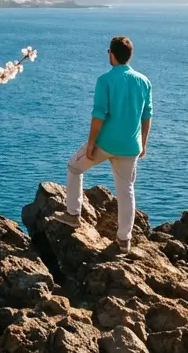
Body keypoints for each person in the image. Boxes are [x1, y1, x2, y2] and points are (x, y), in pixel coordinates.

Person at [62, 35, 152, 254]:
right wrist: (143, 145)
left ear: (111, 54)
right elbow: (147, 116)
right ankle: (124, 241)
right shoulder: (144, 81)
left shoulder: (105, 80)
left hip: (106, 143)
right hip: (131, 146)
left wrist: (91, 143)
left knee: (74, 168)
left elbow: (99, 115)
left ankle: (73, 215)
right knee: (126, 192)